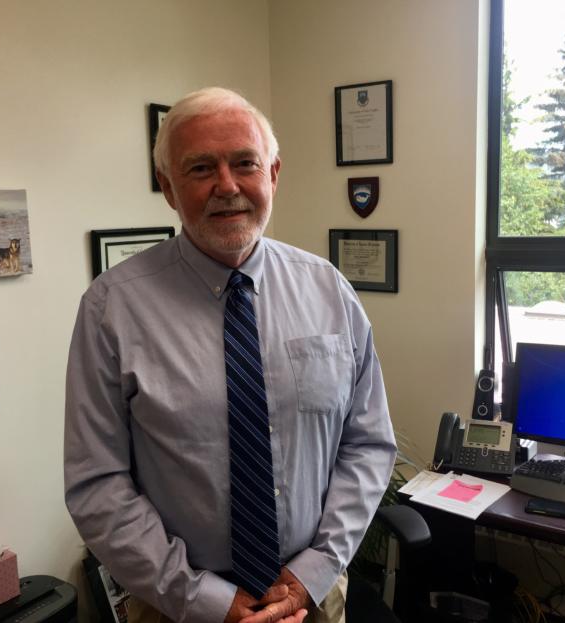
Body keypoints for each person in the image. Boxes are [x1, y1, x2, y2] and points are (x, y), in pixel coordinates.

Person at [64, 87, 396, 623]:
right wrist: (208, 601)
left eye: (245, 163)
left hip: (311, 599)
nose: (227, 185)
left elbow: (368, 443)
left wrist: (313, 573)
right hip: (180, 607)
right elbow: (98, 484)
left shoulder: (330, 292)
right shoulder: (112, 309)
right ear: (168, 188)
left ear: (274, 174)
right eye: (200, 169)